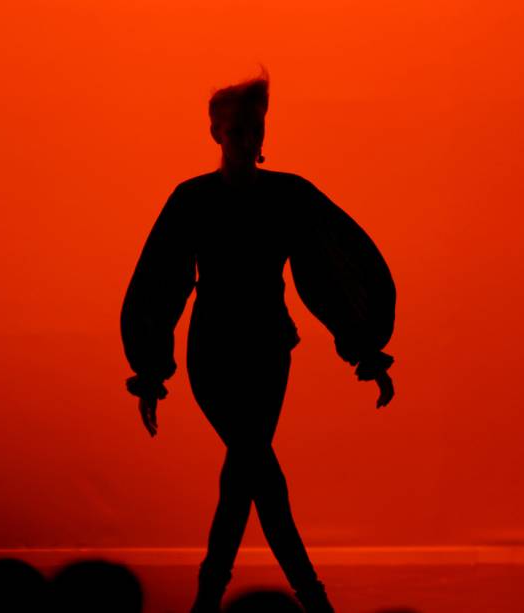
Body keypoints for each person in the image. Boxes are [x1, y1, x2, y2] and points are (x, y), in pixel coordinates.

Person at [120, 67, 396, 613]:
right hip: (214, 354)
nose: (247, 141)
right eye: (237, 130)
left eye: (255, 130)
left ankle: (210, 599)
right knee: (255, 465)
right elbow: (161, 282)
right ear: (215, 133)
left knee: (246, 470)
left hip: (269, 351)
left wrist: (366, 348)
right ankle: (312, 598)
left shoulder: (289, 195)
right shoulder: (192, 199)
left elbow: (333, 269)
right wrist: (150, 371)